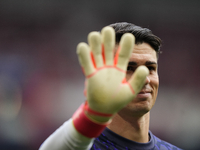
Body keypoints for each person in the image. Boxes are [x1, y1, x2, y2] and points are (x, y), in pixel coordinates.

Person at [39, 22, 182, 150]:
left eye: (150, 68)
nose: (144, 79)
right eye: (128, 68)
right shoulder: (82, 144)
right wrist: (93, 116)